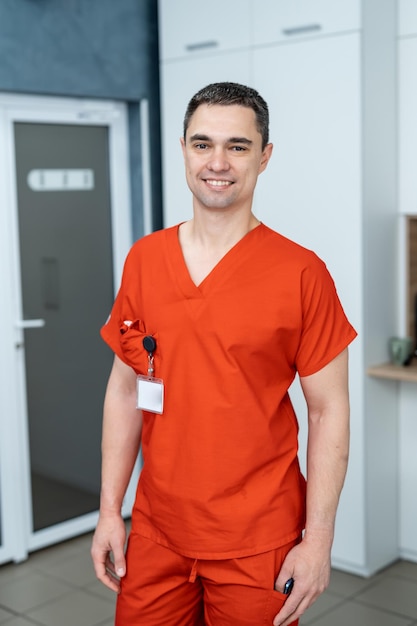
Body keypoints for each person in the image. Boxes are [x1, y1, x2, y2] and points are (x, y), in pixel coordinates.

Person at [91, 81, 357, 626]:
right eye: (202, 143)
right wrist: (109, 512)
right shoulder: (145, 259)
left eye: (237, 146)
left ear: (265, 156)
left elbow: (329, 410)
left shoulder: (302, 273)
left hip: (258, 538)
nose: (218, 162)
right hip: (157, 529)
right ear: (184, 149)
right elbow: (124, 389)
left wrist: (319, 540)